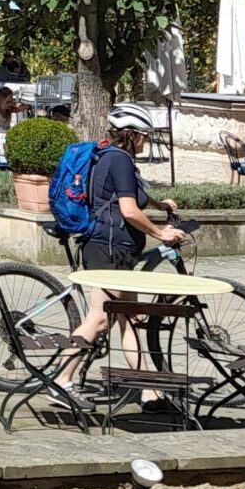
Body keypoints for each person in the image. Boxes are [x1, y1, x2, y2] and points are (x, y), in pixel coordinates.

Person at [65, 106, 186, 386]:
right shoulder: (119, 160)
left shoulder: (111, 155)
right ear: (131, 135)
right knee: (99, 319)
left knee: (129, 317)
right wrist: (160, 233)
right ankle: (61, 379)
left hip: (117, 248)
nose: (146, 141)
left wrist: (160, 205)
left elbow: (129, 193)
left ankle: (148, 390)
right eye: (144, 135)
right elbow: (129, 210)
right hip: (108, 249)